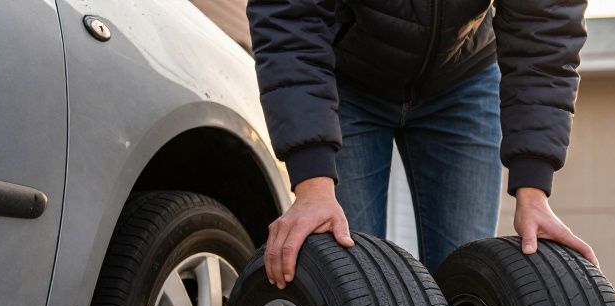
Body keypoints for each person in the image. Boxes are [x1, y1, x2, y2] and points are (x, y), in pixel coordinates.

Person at [246, 0, 596, 288]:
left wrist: (534, 191)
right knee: (349, 279)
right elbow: (290, 18)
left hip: (462, 74)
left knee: (466, 280)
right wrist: (313, 183)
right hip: (346, 76)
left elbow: (545, 29)